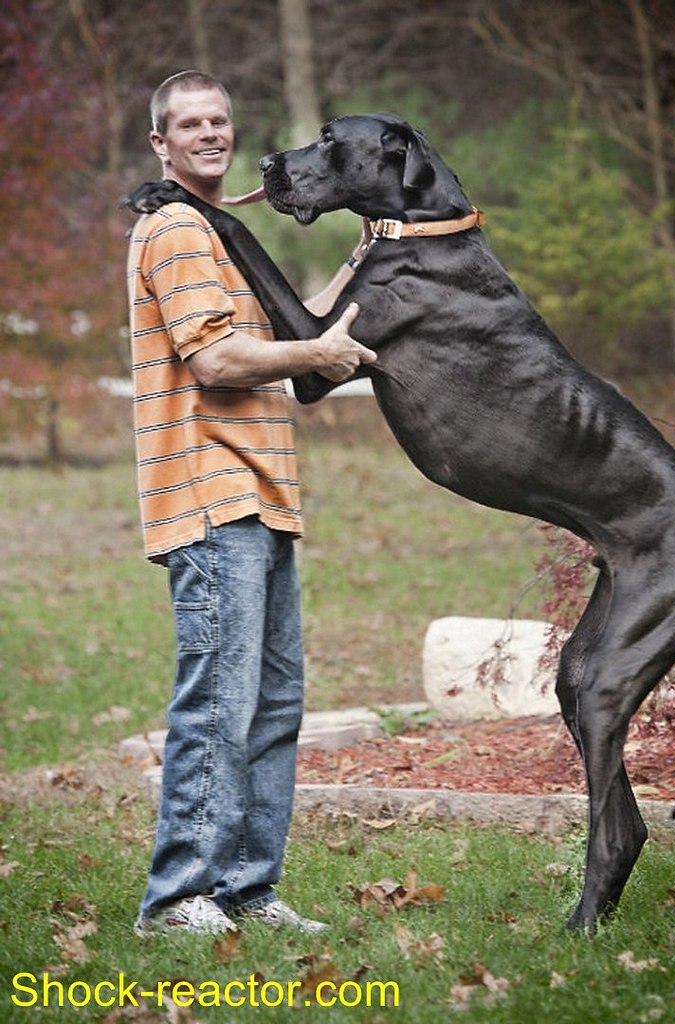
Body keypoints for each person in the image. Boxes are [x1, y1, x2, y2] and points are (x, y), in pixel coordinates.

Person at [127, 69, 376, 937]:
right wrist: (315, 358)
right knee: (219, 704)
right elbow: (219, 361)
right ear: (161, 142)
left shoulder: (219, 231)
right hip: (210, 492)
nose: (209, 134)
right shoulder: (176, 230)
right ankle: (176, 899)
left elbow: (297, 332)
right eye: (188, 124)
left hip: (261, 496)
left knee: (271, 707)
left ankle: (245, 889)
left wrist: (367, 253)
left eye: (219, 120)